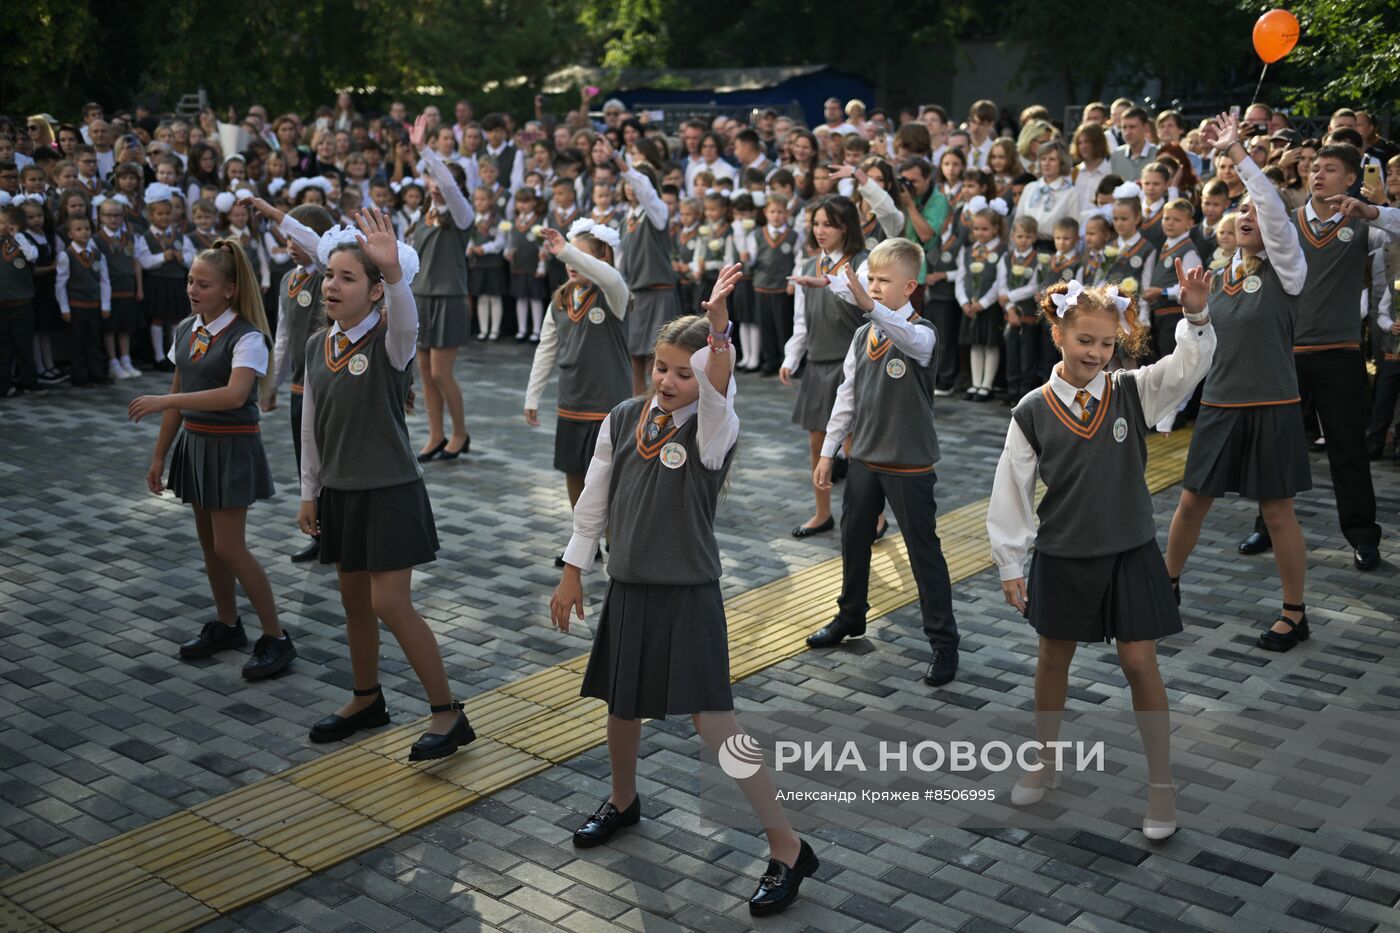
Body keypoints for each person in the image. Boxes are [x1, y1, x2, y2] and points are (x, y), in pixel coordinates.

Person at [551, 264, 819, 916]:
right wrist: (572, 567)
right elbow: (594, 498)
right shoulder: (622, 415)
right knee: (620, 703)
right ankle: (622, 799)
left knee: (713, 721)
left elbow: (722, 396)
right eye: (663, 367)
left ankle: (787, 845)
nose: (668, 380)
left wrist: (719, 332)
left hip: (688, 590)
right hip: (630, 587)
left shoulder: (712, 432)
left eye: (684, 371)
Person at [989, 271, 1214, 841]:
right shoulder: (1033, 409)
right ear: (1058, 334)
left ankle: (1162, 783)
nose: (1096, 352)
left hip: (1131, 549)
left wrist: (1195, 318)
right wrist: (1010, 562)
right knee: (1051, 658)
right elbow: (1011, 489)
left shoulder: (1131, 390)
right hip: (1064, 554)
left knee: (1141, 663)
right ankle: (1045, 756)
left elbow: (1188, 367)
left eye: (1107, 343)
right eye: (1085, 340)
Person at [299, 209, 475, 760]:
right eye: (330, 274)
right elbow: (310, 425)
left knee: (390, 604)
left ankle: (448, 714)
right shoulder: (316, 345)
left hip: (391, 490)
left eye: (348, 277)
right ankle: (366, 698)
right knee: (353, 601)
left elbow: (407, 322)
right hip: (340, 492)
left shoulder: (389, 342)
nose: (332, 284)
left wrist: (393, 273)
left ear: (374, 292)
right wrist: (309, 490)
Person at [1166, 113, 1313, 650]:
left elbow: (1274, 210)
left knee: (1277, 512)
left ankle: (1295, 614)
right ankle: (1166, 587)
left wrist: (1239, 154)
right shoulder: (1218, 275)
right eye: (1241, 211)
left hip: (1273, 403)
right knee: (1189, 502)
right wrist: (1196, 312)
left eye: (1255, 209)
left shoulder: (1287, 268)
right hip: (1221, 405)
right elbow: (1200, 345)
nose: (1249, 215)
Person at [128, 239, 293, 679]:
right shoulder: (187, 329)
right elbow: (177, 399)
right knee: (210, 545)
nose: (192, 290)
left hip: (232, 446)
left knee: (229, 546)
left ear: (230, 290)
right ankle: (227, 624)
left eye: (203, 284)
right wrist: (159, 456)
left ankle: (276, 636)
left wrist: (168, 402)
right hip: (197, 445)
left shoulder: (248, 336)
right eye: (189, 281)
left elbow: (235, 394)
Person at [803, 239, 961, 686]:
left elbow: (905, 336)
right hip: (866, 459)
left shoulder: (922, 333)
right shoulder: (862, 334)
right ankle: (850, 616)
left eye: (882, 281)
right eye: (869, 279)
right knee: (854, 541)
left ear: (910, 287)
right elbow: (846, 397)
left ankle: (944, 644)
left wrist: (869, 305)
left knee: (923, 552)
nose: (872, 287)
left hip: (909, 462)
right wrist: (829, 451)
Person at [1237, 144, 1400, 569]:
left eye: (1329, 169)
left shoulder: (1362, 223)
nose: (1317, 175)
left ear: (1351, 179)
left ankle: (1363, 536)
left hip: (1341, 355)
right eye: (1313, 168)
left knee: (1348, 449)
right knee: (1275, 447)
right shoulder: (1286, 224)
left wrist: (1375, 211)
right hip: (1285, 352)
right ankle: (1265, 525)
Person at [525, 221, 631, 565]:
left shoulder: (614, 294)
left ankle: (617, 542)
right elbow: (546, 347)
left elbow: (612, 277)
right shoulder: (560, 298)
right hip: (571, 401)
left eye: (583, 256)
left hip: (608, 404)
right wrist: (532, 395)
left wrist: (566, 249)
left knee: (610, 475)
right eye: (568, 255)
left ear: (603, 258)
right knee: (574, 473)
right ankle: (585, 541)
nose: (571, 262)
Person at [247, 196, 336, 563]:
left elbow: (320, 251)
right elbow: (282, 337)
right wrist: (270, 385)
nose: (292, 248)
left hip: (327, 387)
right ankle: (319, 534)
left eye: (298, 240)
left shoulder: (328, 274)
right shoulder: (287, 280)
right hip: (300, 389)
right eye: (287, 241)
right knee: (308, 464)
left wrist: (278, 216)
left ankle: (339, 533)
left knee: (332, 462)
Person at [781, 195, 869, 538]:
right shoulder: (807, 265)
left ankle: (872, 517)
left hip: (852, 363)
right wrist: (792, 357)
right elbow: (801, 320)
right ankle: (822, 513)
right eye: (816, 223)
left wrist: (830, 280)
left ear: (846, 226)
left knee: (854, 445)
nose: (820, 230)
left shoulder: (861, 262)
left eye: (828, 224)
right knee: (817, 443)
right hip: (817, 363)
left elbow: (859, 297)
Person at [409, 116, 475, 462]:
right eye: (430, 177)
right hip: (421, 297)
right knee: (424, 372)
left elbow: (449, 186)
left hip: (448, 297)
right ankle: (435, 434)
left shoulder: (462, 214)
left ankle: (460, 432)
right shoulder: (423, 214)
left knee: (440, 372)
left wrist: (425, 150)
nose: (435, 184)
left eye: (441, 178)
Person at [609, 146, 681, 394]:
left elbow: (646, 192)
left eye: (635, 182)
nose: (630, 186)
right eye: (625, 182)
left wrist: (618, 160)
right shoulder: (623, 219)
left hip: (657, 291)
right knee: (634, 354)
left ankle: (658, 405)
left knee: (657, 356)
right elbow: (618, 263)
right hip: (634, 295)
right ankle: (637, 404)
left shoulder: (657, 213)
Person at [135, 183, 195, 371]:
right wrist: (163, 257)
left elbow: (192, 256)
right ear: (151, 215)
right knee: (158, 319)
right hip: (157, 281)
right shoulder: (146, 236)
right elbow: (143, 260)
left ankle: (174, 355)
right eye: (160, 214)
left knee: (176, 319)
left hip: (176, 281)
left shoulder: (179, 235)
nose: (164, 218)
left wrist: (181, 257)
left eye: (167, 214)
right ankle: (159, 357)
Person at [955, 195, 1008, 401]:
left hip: (989, 307)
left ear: (995, 229)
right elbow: (961, 278)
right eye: (976, 229)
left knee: (990, 344)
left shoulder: (1002, 251)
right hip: (970, 306)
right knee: (975, 343)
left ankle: (987, 385)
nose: (980, 233)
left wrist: (984, 303)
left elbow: (1000, 281)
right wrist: (964, 302)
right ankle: (976, 384)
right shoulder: (968, 251)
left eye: (985, 229)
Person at [54, 213, 112, 387]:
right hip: (76, 306)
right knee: (77, 342)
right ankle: (79, 376)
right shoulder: (66, 255)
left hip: (94, 306)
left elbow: (104, 280)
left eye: (87, 229)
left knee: (94, 340)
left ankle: (96, 372)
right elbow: (60, 284)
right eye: (79, 229)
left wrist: (106, 303)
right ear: (70, 234)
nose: (84, 232)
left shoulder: (97, 254)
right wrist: (64, 308)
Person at [0, 204, 39, 397]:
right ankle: (5, 384)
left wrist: (18, 236)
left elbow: (33, 256)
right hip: (2, 305)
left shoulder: (24, 242)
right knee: (3, 348)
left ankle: (29, 381)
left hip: (22, 305)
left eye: (2, 223)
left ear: (13, 225)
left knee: (24, 345)